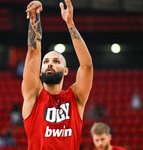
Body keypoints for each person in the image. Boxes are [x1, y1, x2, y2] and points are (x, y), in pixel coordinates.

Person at [22, 0, 93, 149]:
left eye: (56, 61)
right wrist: (35, 18)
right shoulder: (33, 95)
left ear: (66, 70)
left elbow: (86, 66)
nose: (49, 64)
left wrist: (70, 24)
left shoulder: (76, 98)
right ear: (40, 70)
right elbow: (34, 52)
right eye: (46, 61)